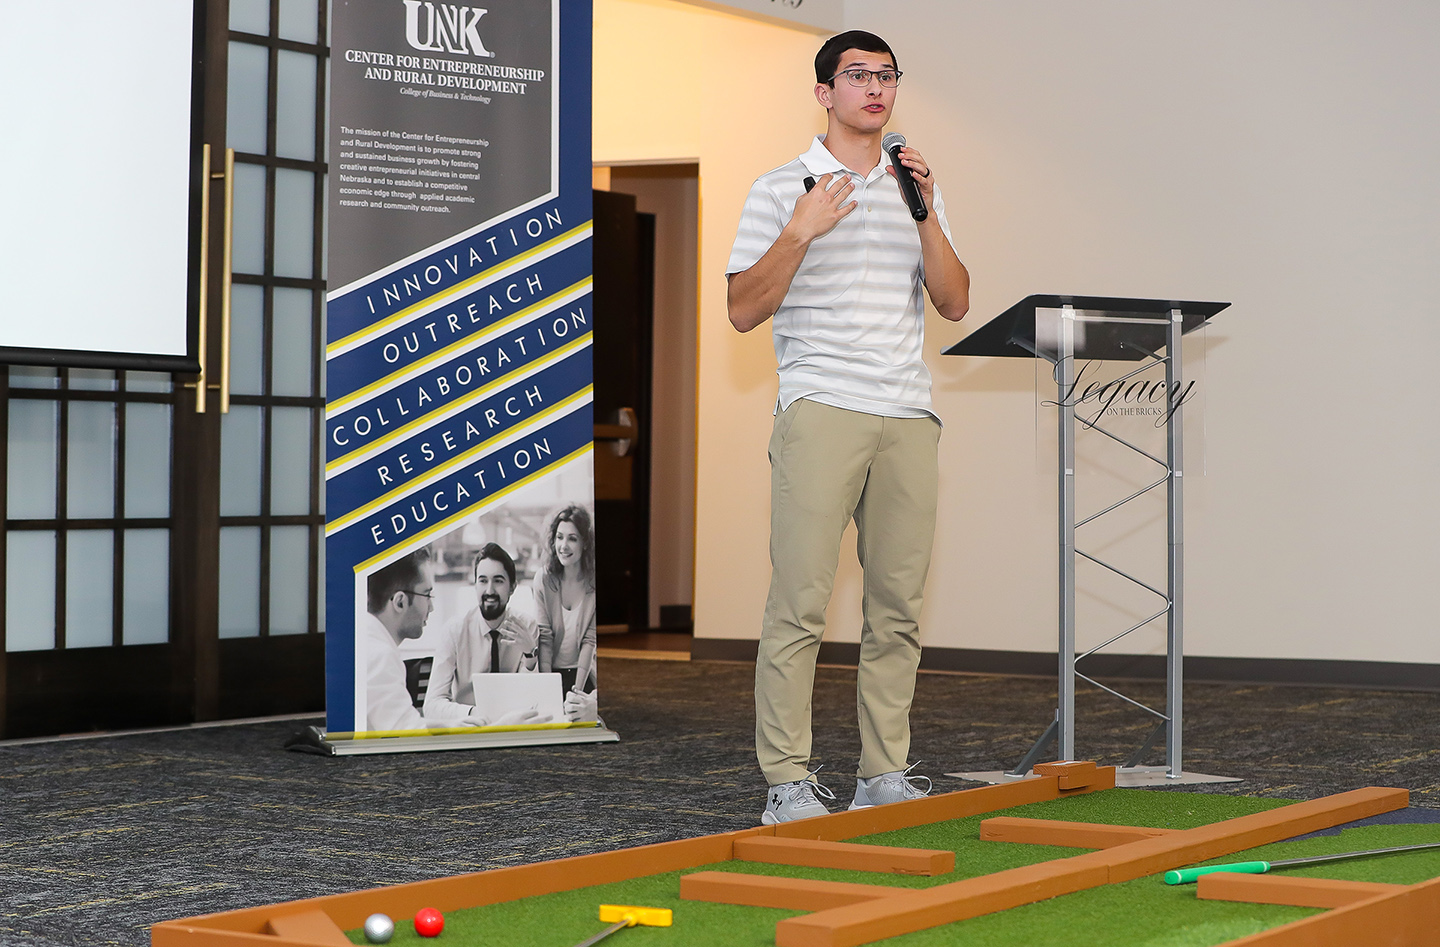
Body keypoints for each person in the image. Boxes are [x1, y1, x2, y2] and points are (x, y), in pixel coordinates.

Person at [726, 30, 970, 824]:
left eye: (887, 76)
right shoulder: (779, 188)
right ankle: (787, 784)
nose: (875, 88)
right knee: (799, 602)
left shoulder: (914, 187)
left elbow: (956, 300)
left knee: (897, 606)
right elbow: (741, 309)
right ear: (824, 92)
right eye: (857, 76)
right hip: (821, 405)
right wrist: (799, 230)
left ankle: (883, 773)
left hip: (907, 412)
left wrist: (925, 210)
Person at [423, 543, 551, 726]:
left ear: (512, 587)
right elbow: (432, 705)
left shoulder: (527, 626)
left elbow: (533, 702)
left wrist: (531, 656)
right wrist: (475, 713)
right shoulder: (454, 631)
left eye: (498, 581)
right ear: (475, 585)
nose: (489, 591)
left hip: (514, 729)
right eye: (483, 581)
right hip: (469, 729)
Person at [362, 549, 442, 732]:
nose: (432, 607)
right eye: (427, 595)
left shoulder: (365, 639)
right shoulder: (380, 655)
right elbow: (407, 734)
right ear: (400, 602)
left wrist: (452, 725)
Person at [534, 503, 598, 702]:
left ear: (585, 543)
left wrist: (576, 692)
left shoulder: (593, 583)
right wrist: (548, 686)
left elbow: (590, 641)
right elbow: (544, 638)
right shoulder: (544, 579)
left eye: (572, 539)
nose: (564, 546)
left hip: (584, 675)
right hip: (550, 672)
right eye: (559, 537)